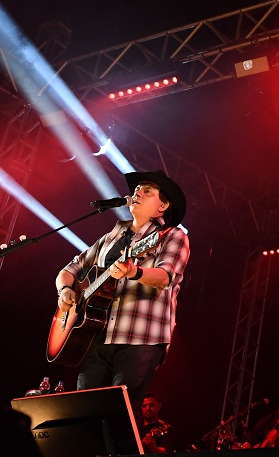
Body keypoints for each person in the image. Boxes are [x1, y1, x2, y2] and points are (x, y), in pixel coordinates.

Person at [55, 170, 189, 410]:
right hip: (96, 336)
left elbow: (165, 277)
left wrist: (133, 272)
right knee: (83, 410)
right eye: (137, 189)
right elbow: (70, 269)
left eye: (148, 191)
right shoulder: (112, 236)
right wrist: (65, 290)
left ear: (163, 206)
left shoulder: (172, 236)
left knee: (119, 412)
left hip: (141, 337)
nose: (138, 192)